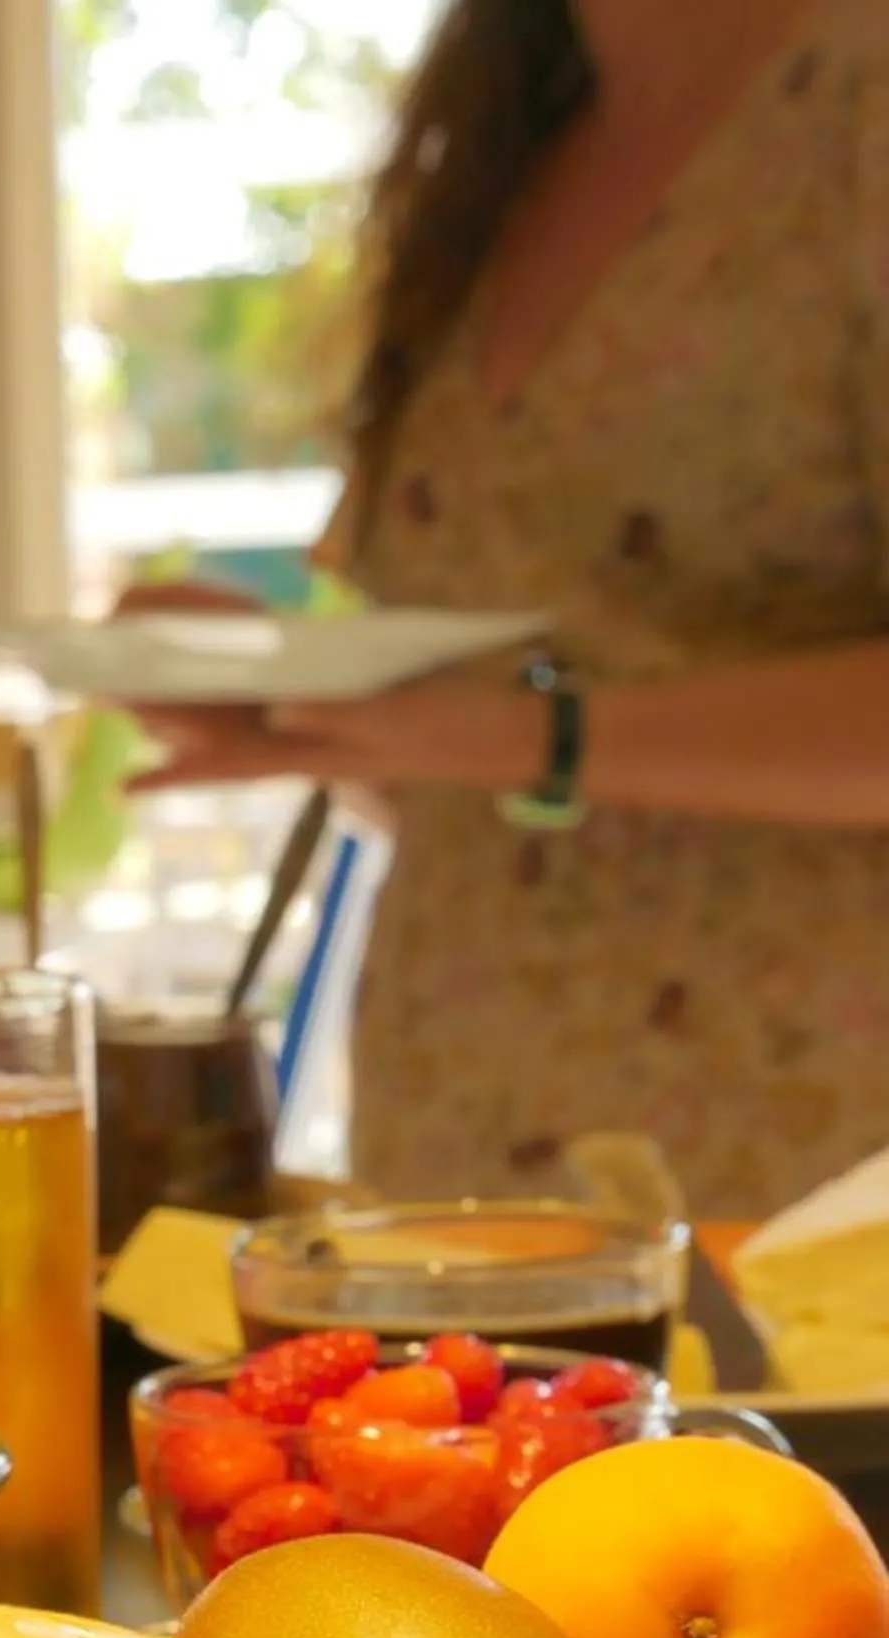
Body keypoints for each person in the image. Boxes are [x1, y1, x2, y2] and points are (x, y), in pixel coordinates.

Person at [130, 0, 889, 1216]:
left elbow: (524, 735)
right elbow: (468, 781)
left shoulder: (855, 97)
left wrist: (532, 733)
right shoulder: (510, 138)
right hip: (463, 1146)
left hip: (796, 1162)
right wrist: (313, 714)